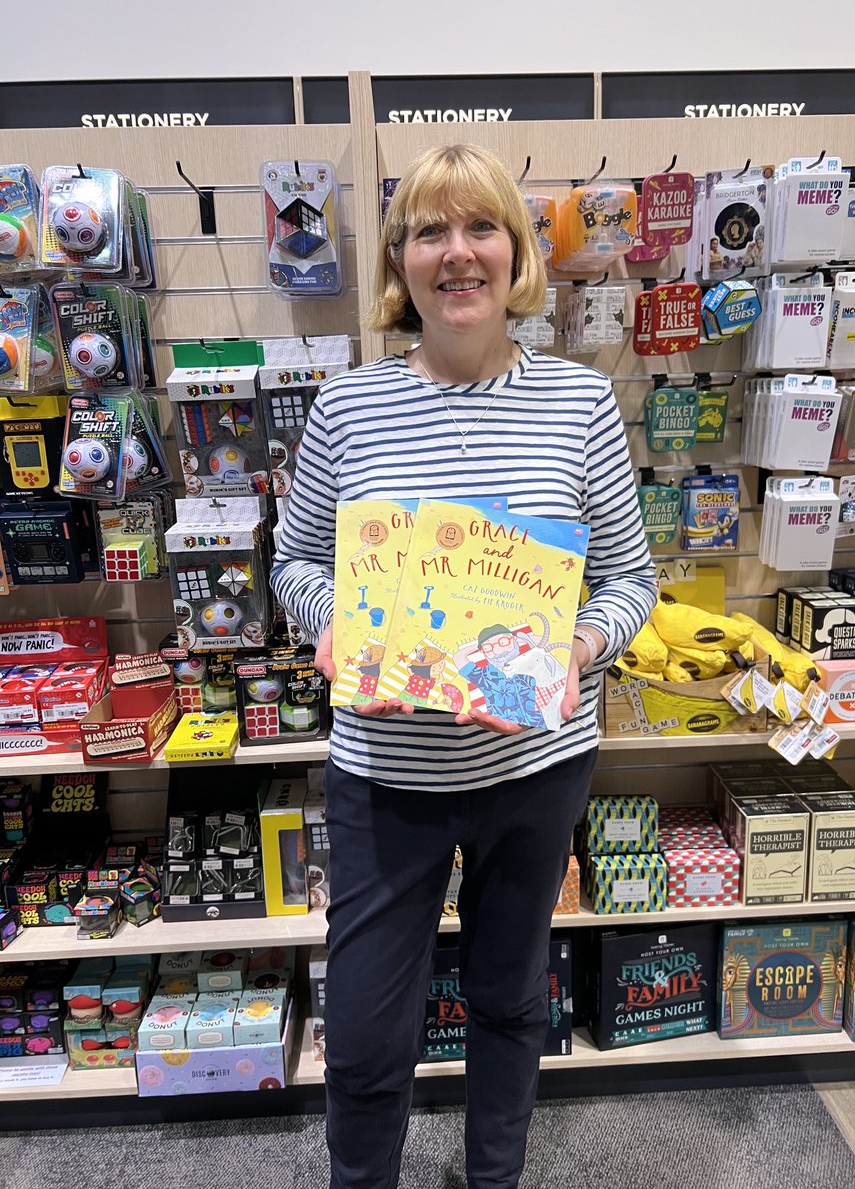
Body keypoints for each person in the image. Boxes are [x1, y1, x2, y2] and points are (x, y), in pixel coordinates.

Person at [271, 142, 656, 1189]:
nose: (458, 254)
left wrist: (578, 644)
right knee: (359, 1036)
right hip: (385, 776)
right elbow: (296, 558)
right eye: (430, 231)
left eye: (480, 226)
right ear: (402, 260)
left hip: (535, 771)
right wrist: (327, 620)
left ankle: (494, 1179)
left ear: (517, 251)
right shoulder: (349, 408)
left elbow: (630, 579)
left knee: (508, 999)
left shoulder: (578, 406)